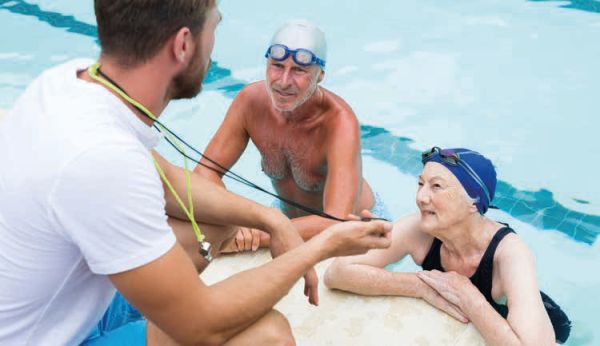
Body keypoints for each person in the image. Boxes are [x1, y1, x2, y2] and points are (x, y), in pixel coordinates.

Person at [0, 1, 393, 345]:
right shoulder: (104, 160)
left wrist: (268, 219)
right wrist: (318, 247)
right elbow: (202, 326)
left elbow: (172, 182)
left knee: (216, 224)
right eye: (215, 27)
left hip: (71, 304)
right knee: (269, 335)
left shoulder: (72, 82)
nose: (284, 79)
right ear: (184, 44)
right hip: (48, 336)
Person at [324, 147, 571, 345]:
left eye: (436, 187)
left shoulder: (511, 254)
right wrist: (421, 286)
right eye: (420, 184)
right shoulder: (421, 228)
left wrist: (470, 299)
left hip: (537, 328)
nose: (421, 197)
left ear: (473, 202)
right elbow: (336, 273)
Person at [196, 20, 383, 252]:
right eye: (277, 66)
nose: (284, 82)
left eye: (299, 70)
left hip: (355, 225)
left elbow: (337, 221)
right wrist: (233, 222)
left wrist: (257, 233)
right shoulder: (250, 103)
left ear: (320, 75)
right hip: (285, 216)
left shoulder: (339, 123)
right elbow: (205, 172)